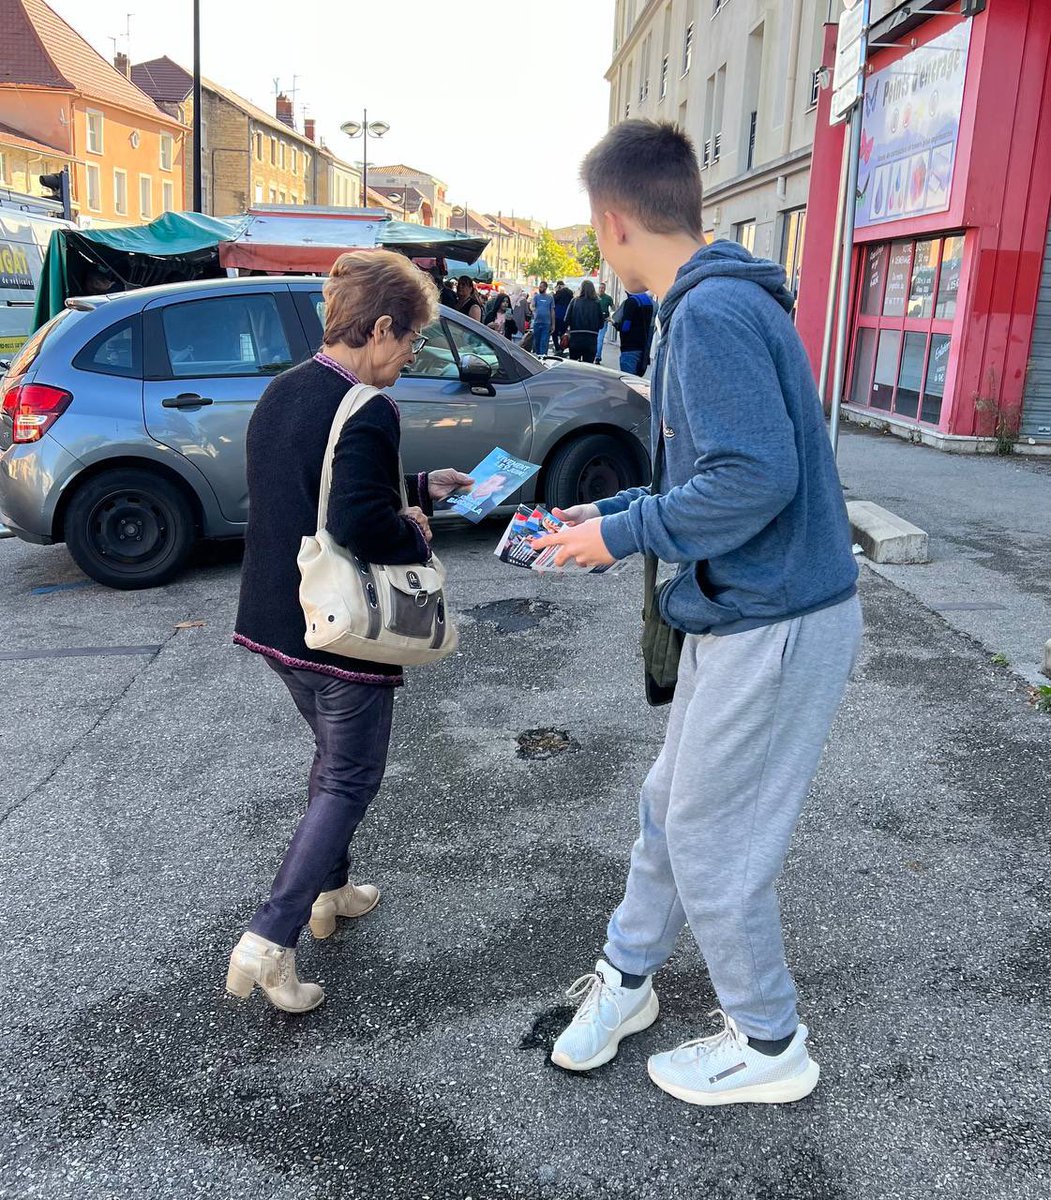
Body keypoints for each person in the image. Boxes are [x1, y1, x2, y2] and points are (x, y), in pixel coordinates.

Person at [531, 119, 862, 1107]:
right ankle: (628, 976)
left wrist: (627, 533)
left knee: (715, 840)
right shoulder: (714, 301)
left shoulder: (709, 312)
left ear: (612, 221)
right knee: (669, 808)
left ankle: (769, 1042)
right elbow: (719, 472)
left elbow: (753, 479)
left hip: (774, 618)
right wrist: (607, 515)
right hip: (750, 610)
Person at [229, 249, 473, 1012]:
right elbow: (361, 522)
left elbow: (313, 484)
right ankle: (270, 939)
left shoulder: (286, 389)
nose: (412, 355)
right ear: (379, 328)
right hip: (336, 629)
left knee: (331, 762)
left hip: (274, 619)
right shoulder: (368, 406)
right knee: (347, 778)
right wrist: (416, 531)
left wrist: (418, 486)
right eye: (412, 339)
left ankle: (329, 892)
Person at [564, 279, 603, 363]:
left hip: (575, 338)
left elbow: (566, 320)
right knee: (588, 367)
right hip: (591, 339)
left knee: (573, 365)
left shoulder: (574, 301)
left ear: (581, 289)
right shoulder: (596, 303)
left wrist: (566, 332)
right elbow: (601, 324)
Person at [617, 290, 655, 376]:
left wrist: (617, 325)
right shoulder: (649, 302)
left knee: (628, 379)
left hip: (629, 347)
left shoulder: (631, 302)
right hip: (642, 348)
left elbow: (625, 326)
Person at [530, 280, 555, 355]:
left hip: (546, 323)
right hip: (537, 322)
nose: (540, 288)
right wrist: (533, 309)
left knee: (544, 342)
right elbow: (532, 305)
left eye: (541, 287)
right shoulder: (536, 297)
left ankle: (543, 357)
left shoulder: (550, 298)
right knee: (537, 342)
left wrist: (553, 324)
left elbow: (552, 311)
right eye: (539, 287)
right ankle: (538, 356)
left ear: (545, 288)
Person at [595, 281, 615, 364]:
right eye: (600, 288)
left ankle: (597, 357)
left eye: (603, 288)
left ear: (605, 289)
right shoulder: (594, 297)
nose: (601, 289)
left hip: (604, 321)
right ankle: (593, 355)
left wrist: (611, 317)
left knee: (600, 339)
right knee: (594, 338)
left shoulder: (608, 298)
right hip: (595, 321)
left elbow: (613, 309)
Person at [553, 279, 574, 356]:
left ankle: (557, 348)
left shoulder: (558, 293)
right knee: (563, 333)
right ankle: (562, 347)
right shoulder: (570, 293)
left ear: (558, 286)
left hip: (557, 316)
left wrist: (556, 292)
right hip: (566, 316)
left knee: (554, 333)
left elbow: (554, 301)